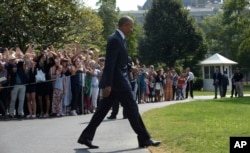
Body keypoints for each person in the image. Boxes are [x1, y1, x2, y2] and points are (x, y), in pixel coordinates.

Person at [78, 16, 161, 149]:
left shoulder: (121, 39)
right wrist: (108, 85)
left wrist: (129, 67)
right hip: (119, 83)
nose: (131, 29)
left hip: (118, 81)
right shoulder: (115, 39)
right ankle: (145, 138)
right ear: (122, 25)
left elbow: (118, 61)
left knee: (102, 111)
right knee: (132, 109)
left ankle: (85, 137)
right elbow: (110, 63)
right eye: (130, 26)